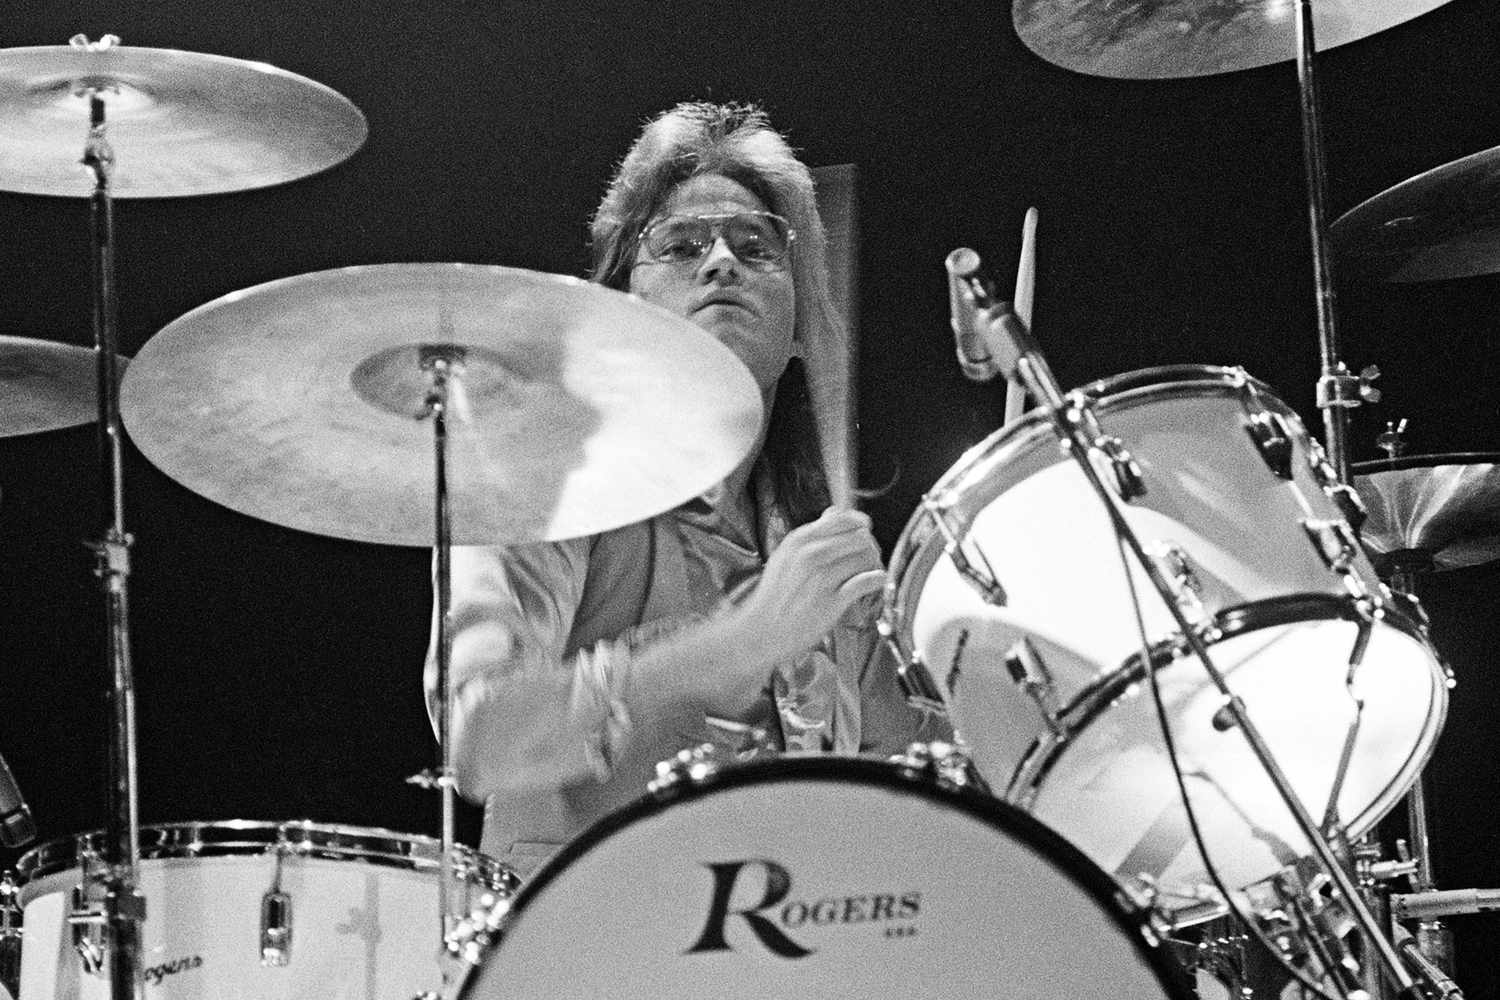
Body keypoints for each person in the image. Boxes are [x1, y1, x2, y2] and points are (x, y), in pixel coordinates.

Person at [425, 101, 944, 875]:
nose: (722, 262)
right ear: (624, 300)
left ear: (803, 323)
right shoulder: (546, 477)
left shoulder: (815, 543)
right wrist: (743, 640)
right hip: (578, 956)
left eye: (757, 246)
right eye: (681, 244)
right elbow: (483, 743)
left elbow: (930, 794)